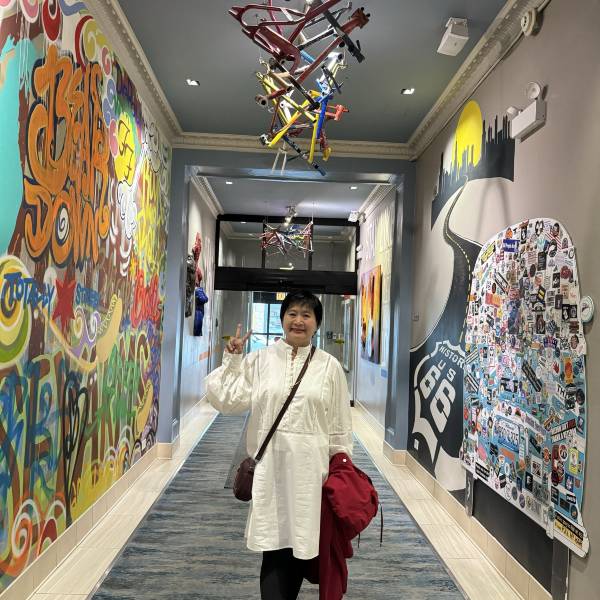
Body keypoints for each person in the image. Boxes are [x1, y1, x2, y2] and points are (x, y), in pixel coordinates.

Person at [205, 290, 353, 600]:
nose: (299, 321)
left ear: (316, 323)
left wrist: (341, 470)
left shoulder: (330, 367)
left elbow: (340, 427)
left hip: (310, 474)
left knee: (300, 546)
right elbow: (227, 400)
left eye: (307, 315)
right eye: (292, 314)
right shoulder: (261, 360)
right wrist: (233, 360)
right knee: (273, 547)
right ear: (283, 318)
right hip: (270, 470)